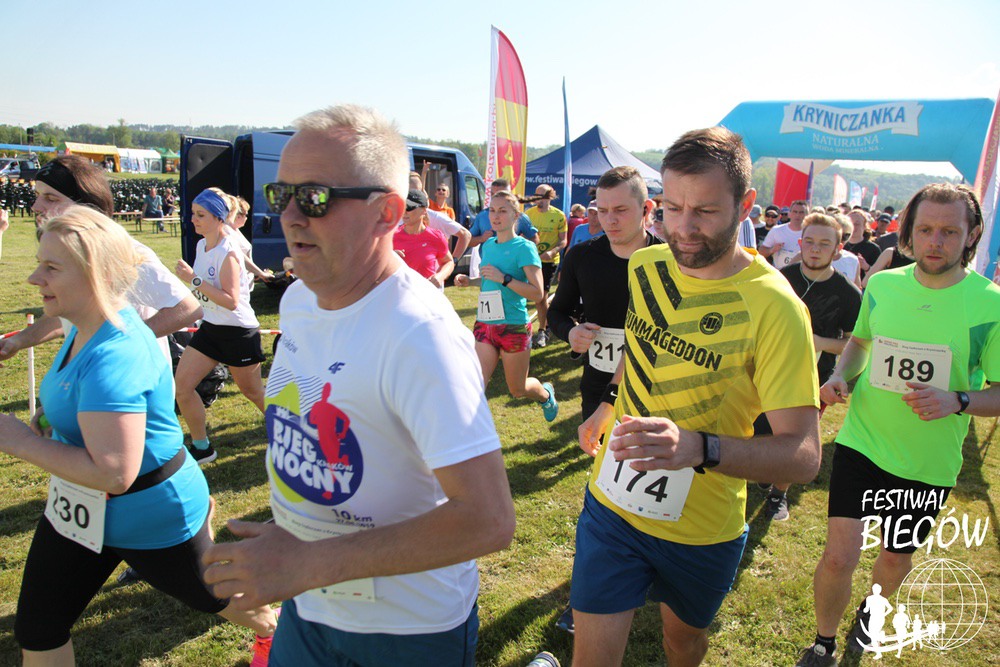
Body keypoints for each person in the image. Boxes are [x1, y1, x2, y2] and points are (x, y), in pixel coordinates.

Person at [200, 104, 516, 667]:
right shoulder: (299, 301)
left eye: (314, 197)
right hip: (309, 606)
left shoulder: (420, 334)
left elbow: (488, 519)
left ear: (386, 213)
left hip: (407, 632)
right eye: (280, 195)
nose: (288, 216)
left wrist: (309, 562)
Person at [572, 127, 820, 667]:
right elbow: (643, 345)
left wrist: (699, 448)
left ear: (746, 205)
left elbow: (802, 455)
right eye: (673, 208)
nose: (683, 228)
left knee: (682, 644)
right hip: (611, 504)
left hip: (701, 528)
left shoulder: (775, 308)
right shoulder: (647, 265)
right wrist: (608, 404)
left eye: (705, 211)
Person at [0, 207, 276, 667]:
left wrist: (19, 442)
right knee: (38, 627)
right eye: (38, 263)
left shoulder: (115, 352)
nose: (33, 278)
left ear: (97, 274)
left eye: (51, 267)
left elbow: (115, 472)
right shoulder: (84, 324)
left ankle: (274, 630)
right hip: (80, 507)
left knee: (216, 598)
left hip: (150, 513)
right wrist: (58, 417)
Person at [795, 183, 1000, 667]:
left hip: (927, 462)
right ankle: (823, 644)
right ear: (909, 231)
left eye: (949, 232)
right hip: (863, 442)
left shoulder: (990, 304)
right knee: (839, 556)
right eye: (925, 230)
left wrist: (958, 400)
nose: (935, 242)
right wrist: (841, 376)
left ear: (971, 235)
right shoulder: (885, 285)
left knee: (893, 557)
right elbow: (861, 342)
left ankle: (873, 610)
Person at [547, 165, 662, 635]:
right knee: (605, 482)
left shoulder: (668, 260)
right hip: (598, 384)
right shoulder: (582, 255)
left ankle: (639, 570)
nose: (609, 220)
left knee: (643, 479)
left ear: (646, 209)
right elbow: (557, 312)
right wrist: (570, 332)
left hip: (657, 385)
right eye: (602, 210)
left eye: (621, 211)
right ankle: (599, 586)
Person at [0, 155, 202, 365]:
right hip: (88, 372)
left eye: (51, 199)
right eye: (38, 195)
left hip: (129, 375)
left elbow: (188, 308)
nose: (36, 206)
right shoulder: (69, 252)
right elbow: (64, 314)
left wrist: (122, 343)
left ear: (86, 206)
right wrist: (16, 341)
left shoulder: (124, 252)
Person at [764, 214, 862, 522]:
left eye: (824, 244)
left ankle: (778, 494)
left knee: (796, 438)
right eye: (809, 242)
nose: (815, 249)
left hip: (814, 377)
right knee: (760, 428)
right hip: (769, 369)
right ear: (800, 243)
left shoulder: (848, 294)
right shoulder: (781, 278)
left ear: (838, 249)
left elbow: (855, 344)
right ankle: (761, 473)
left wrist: (817, 341)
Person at [174, 189, 265, 464]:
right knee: (182, 387)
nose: (193, 219)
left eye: (200, 215)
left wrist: (194, 280)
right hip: (211, 329)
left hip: (238, 332)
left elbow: (231, 301)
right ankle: (202, 447)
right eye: (193, 214)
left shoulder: (228, 252)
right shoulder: (202, 246)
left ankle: (295, 430)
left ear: (218, 218)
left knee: (253, 392)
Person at [455, 189, 559, 421]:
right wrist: (471, 281)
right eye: (492, 210)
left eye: (502, 211)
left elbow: (537, 293)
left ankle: (545, 395)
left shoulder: (524, 248)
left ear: (516, 215)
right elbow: (490, 280)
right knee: (475, 384)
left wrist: (505, 278)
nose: (495, 216)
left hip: (513, 325)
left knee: (517, 389)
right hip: (485, 324)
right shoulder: (489, 245)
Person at [525, 184, 567, 348]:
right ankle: (528, 328)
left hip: (549, 261)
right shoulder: (528, 215)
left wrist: (552, 252)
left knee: (541, 296)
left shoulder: (559, 216)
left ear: (550, 197)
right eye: (536, 196)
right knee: (525, 294)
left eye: (542, 196)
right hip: (529, 260)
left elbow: (563, 240)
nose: (539, 200)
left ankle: (542, 331)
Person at [393, 189, 455, 289]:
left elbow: (448, 262)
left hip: (425, 294)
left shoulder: (436, 237)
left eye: (409, 207)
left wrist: (440, 277)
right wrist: (390, 257)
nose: (405, 211)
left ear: (424, 210)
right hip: (399, 294)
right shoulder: (391, 237)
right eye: (402, 206)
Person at [469, 178, 538, 248]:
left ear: (509, 194)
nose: (496, 198)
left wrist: (519, 243)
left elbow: (534, 239)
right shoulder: (482, 216)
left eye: (501, 194)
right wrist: (481, 238)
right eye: (493, 194)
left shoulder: (520, 217)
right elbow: (468, 241)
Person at [760, 199, 807, 268]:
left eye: (801, 212)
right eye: (795, 212)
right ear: (789, 214)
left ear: (806, 215)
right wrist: (771, 250)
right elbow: (761, 251)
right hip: (779, 272)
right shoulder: (776, 230)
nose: (797, 215)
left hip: (800, 272)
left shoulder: (810, 233)